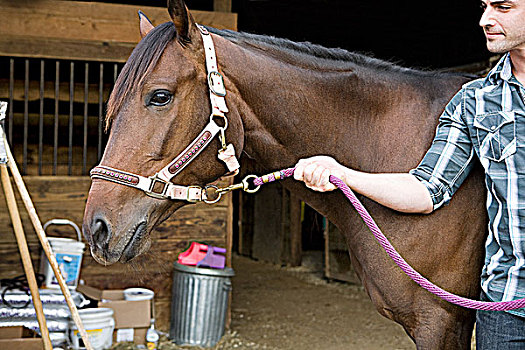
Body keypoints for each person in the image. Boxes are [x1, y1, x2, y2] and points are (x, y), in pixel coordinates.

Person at [293, 0, 525, 348]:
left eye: (503, 7)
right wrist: (343, 174)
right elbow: (426, 189)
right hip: (505, 305)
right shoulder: (475, 101)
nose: (484, 20)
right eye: (484, 6)